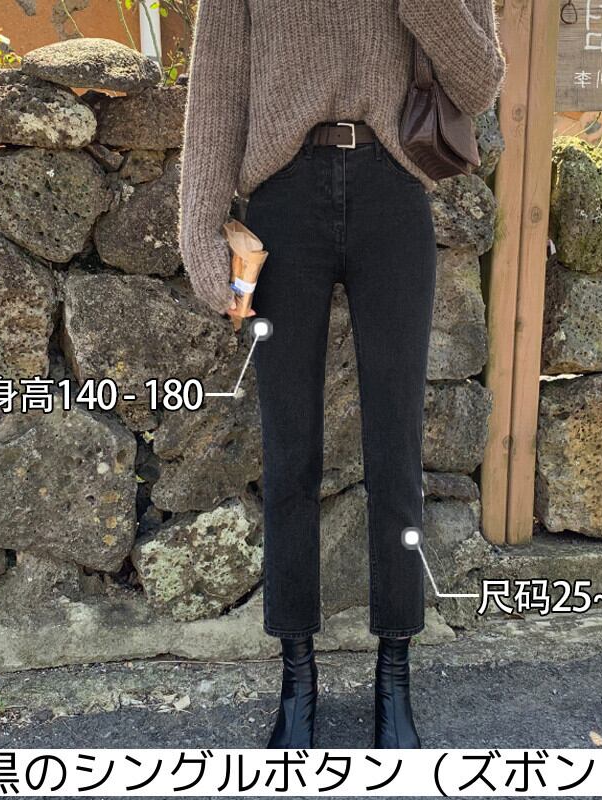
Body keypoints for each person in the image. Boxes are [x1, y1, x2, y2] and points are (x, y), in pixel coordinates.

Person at [178, 0, 506, 749]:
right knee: (289, 450)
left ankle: (396, 676)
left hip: (394, 194)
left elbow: (480, 82)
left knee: (396, 451)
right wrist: (201, 234)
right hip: (282, 200)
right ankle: (297, 678)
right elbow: (218, 87)